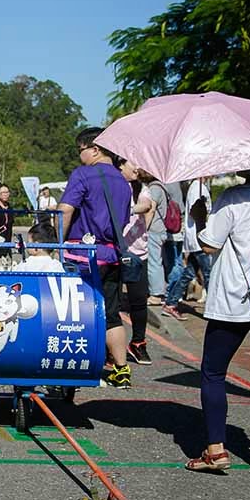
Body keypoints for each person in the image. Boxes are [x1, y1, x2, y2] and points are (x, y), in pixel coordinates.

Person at [185, 167, 250, 479]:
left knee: (213, 372)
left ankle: (216, 449)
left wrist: (201, 216)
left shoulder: (233, 197)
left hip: (233, 299)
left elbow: (209, 245)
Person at [58, 127, 133, 388]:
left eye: (81, 150)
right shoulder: (124, 182)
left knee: (76, 313)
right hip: (112, 255)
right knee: (111, 313)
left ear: (95, 148)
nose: (80, 156)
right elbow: (123, 221)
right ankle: (121, 369)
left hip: (81, 256)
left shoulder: (83, 175)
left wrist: (56, 242)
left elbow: (66, 210)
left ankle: (76, 366)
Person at [115, 157, 154, 365]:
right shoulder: (112, 186)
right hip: (113, 252)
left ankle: (138, 343)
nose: (137, 168)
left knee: (138, 300)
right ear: (120, 165)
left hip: (137, 254)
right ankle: (110, 347)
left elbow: (146, 206)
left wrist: (128, 211)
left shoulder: (141, 188)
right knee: (111, 301)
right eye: (133, 164)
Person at [162, 177, 212, 321]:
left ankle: (170, 303)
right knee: (208, 274)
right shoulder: (197, 188)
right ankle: (213, 307)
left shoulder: (200, 187)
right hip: (199, 238)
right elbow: (195, 212)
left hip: (197, 238)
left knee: (188, 273)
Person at [143, 173, 171, 304]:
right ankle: (158, 291)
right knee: (158, 261)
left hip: (154, 229)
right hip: (161, 229)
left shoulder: (154, 188)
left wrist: (145, 227)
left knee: (154, 262)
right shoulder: (163, 187)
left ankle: (156, 294)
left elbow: (151, 209)